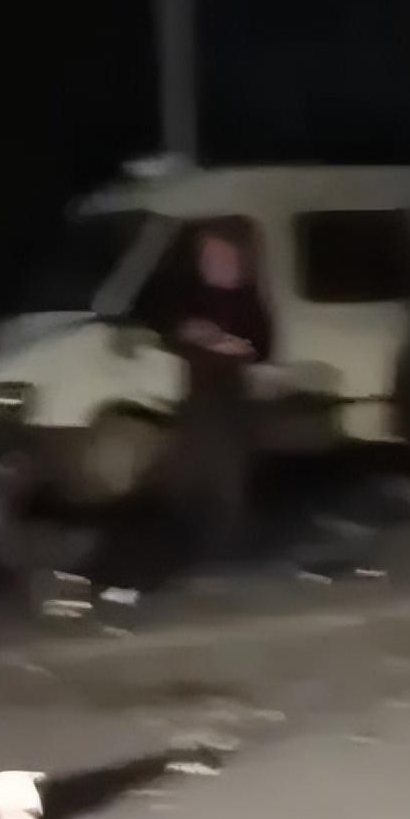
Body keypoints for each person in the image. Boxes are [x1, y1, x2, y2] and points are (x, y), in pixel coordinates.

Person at [157, 220, 272, 567]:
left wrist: (226, 344)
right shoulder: (193, 296)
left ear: (234, 257)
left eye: (217, 254)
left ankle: (226, 552)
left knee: (226, 480)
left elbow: (260, 346)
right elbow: (172, 331)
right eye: (205, 255)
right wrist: (188, 332)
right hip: (195, 401)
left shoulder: (247, 299)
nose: (209, 261)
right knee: (186, 477)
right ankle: (187, 548)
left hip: (230, 402)